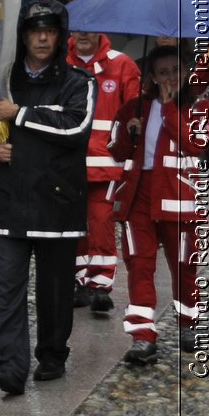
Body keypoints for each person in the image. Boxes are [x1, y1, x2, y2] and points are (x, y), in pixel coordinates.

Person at [0, 0, 94, 395]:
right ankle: (11, 368)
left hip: (56, 202)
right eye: (34, 30)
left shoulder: (78, 82)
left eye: (49, 30)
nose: (42, 37)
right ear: (23, 36)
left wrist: (20, 115)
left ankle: (52, 355)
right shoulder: (1, 78)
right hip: (8, 200)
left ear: (60, 36)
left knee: (55, 289)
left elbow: (75, 128)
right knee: (7, 287)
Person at [112, 45, 209, 363]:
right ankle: (143, 336)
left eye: (176, 70)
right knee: (139, 264)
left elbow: (195, 146)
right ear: (152, 77)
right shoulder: (134, 107)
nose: (171, 77)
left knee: (184, 267)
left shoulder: (203, 109)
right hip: (138, 197)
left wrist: (170, 109)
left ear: (187, 74)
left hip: (181, 200)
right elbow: (116, 150)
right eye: (163, 72)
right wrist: (130, 135)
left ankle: (188, 324)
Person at [65, 30, 141, 314]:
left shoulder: (122, 65)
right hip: (68, 163)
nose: (83, 34)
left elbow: (134, 110)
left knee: (100, 221)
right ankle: (80, 281)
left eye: (90, 28)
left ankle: (100, 285)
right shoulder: (60, 63)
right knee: (74, 223)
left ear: (101, 31)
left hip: (106, 163)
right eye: (78, 28)